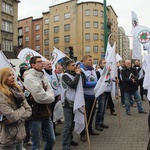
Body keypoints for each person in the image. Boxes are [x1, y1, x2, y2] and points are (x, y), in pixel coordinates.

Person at [24, 56, 55, 150]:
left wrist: (49, 96)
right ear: (33, 65)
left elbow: (51, 91)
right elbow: (40, 97)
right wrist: (50, 97)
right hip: (35, 114)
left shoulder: (43, 76)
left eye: (42, 61)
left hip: (46, 112)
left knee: (52, 140)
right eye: (39, 61)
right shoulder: (29, 78)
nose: (42, 63)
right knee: (36, 144)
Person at [0, 67, 31, 150]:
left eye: (13, 74)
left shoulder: (17, 90)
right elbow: (12, 116)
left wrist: (16, 118)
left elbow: (29, 110)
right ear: (3, 77)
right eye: (9, 75)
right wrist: (22, 109)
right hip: (8, 137)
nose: (13, 77)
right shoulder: (1, 94)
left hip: (20, 135)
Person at [61, 60, 81, 150]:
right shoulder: (65, 76)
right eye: (73, 65)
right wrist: (77, 75)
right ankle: (65, 145)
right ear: (68, 67)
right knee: (68, 125)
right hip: (67, 103)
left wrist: (80, 74)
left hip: (75, 102)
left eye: (75, 65)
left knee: (72, 123)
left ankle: (70, 139)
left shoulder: (76, 75)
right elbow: (72, 85)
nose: (75, 67)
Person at [80, 55, 99, 142]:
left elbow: (96, 79)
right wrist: (96, 84)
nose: (91, 61)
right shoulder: (82, 71)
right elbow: (84, 84)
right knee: (85, 115)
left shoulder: (93, 70)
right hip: (86, 96)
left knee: (92, 114)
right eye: (89, 60)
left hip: (93, 96)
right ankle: (83, 133)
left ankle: (90, 129)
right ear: (84, 62)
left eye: (92, 60)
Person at [43, 61, 62, 136]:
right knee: (47, 116)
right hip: (48, 97)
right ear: (44, 66)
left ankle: (53, 130)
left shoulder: (54, 73)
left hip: (55, 97)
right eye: (47, 64)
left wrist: (59, 93)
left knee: (53, 115)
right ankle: (45, 133)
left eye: (50, 64)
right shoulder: (43, 74)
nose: (49, 65)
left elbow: (57, 84)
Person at [95, 59, 109, 131]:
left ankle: (101, 122)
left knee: (103, 109)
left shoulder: (107, 71)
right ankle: (97, 123)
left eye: (106, 63)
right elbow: (97, 82)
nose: (105, 64)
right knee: (100, 109)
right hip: (101, 93)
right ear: (100, 64)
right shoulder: (98, 72)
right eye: (104, 63)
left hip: (106, 91)